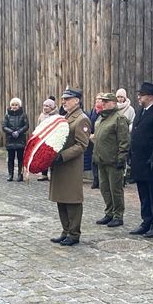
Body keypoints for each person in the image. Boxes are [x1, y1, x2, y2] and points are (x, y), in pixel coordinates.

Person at [49, 88, 91, 246]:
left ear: (77, 100)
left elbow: (82, 145)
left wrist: (62, 155)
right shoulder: (65, 117)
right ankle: (65, 231)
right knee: (61, 198)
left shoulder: (82, 119)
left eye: (67, 99)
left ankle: (74, 233)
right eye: (63, 99)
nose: (64, 102)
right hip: (60, 166)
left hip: (71, 166)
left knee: (72, 200)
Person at [129, 82, 153, 238]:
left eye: (142, 95)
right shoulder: (140, 112)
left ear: (150, 96)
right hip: (139, 161)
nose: (139, 97)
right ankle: (146, 222)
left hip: (151, 163)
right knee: (143, 195)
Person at [93, 93, 130, 227]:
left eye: (106, 101)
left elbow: (124, 141)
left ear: (114, 103)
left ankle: (118, 215)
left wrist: (121, 158)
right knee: (105, 189)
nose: (103, 103)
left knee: (116, 190)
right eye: (102, 101)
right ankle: (109, 212)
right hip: (101, 160)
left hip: (114, 161)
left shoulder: (118, 118)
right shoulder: (102, 118)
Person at [2, 97, 29, 182]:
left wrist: (18, 132)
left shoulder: (23, 115)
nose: (14, 106)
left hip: (20, 140)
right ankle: (10, 174)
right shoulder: (7, 115)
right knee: (11, 159)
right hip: (10, 140)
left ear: (19, 106)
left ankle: (20, 175)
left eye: (16, 105)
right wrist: (11, 132)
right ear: (10, 106)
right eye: (13, 105)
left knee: (21, 158)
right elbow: (4, 126)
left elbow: (26, 126)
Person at [36, 98, 59, 181]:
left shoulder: (56, 116)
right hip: (43, 139)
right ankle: (44, 174)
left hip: (52, 139)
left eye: (47, 106)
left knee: (52, 157)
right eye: (44, 106)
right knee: (43, 157)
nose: (45, 108)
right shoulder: (42, 116)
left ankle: (52, 174)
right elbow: (38, 126)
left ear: (52, 108)